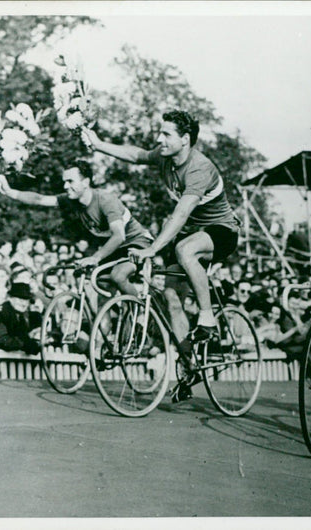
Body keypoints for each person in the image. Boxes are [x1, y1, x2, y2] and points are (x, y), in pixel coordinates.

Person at [83, 110, 241, 403]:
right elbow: (136, 155)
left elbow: (181, 214)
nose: (159, 138)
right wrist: (98, 143)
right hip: (189, 233)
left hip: (220, 231)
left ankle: (207, 319)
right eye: (160, 132)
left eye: (166, 134)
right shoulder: (166, 157)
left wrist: (153, 248)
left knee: (184, 249)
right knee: (171, 298)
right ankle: (190, 367)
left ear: (185, 139)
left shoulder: (198, 168)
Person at [0, 160, 152, 297]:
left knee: (118, 276)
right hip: (112, 248)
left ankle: (140, 310)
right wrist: (10, 191)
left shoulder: (105, 200)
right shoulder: (72, 200)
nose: (65, 186)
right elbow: (40, 199)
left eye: (70, 181)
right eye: (64, 181)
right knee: (93, 292)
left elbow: (119, 236)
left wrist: (95, 258)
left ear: (86, 182)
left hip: (135, 243)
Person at [0, 283, 43, 355]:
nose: (23, 304)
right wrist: (28, 338)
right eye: (20, 299)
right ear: (9, 298)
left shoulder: (26, 316)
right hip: (1, 360)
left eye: (26, 300)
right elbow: (3, 341)